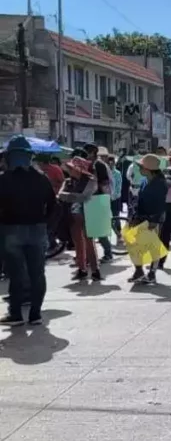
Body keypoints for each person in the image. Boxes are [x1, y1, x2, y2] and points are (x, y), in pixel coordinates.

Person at [0, 137, 57, 326]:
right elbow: (54, 207)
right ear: (29, 157)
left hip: (10, 231)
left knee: (16, 274)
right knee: (37, 274)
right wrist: (47, 227)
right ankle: (35, 314)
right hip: (38, 230)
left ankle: (15, 314)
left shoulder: (3, 180)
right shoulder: (42, 179)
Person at [58, 157, 100, 281]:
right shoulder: (68, 181)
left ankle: (95, 270)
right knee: (77, 243)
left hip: (87, 214)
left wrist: (67, 196)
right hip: (72, 215)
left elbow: (85, 197)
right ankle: (82, 269)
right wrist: (71, 196)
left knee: (89, 243)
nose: (70, 170)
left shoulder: (91, 181)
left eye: (72, 168)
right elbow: (61, 194)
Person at [128, 155, 167, 285]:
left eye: (141, 167)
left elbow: (161, 204)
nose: (139, 169)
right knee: (134, 244)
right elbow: (139, 200)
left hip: (153, 219)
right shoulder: (145, 181)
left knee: (153, 247)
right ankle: (138, 270)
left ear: (149, 169)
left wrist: (154, 220)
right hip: (141, 218)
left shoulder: (161, 183)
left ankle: (152, 273)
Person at [83, 144, 114, 263]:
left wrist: (101, 197)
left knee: (99, 229)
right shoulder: (90, 164)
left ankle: (108, 253)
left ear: (92, 153)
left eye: (86, 152)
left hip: (98, 199)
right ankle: (89, 256)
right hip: (90, 198)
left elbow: (104, 183)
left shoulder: (99, 165)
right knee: (89, 230)